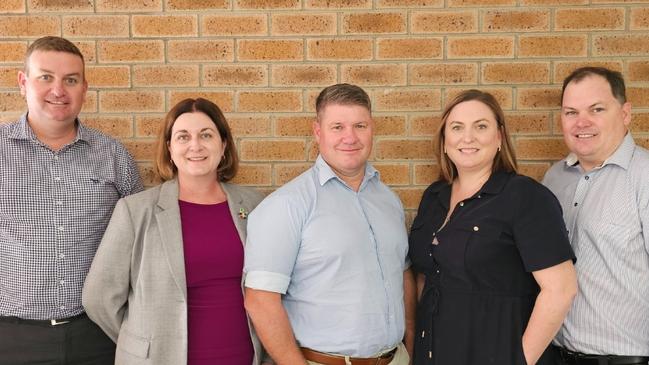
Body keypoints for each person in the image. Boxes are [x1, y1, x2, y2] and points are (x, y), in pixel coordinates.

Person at [82, 98, 266, 365]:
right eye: (183, 137)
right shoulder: (136, 211)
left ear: (223, 145)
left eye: (206, 135)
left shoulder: (254, 205)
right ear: (169, 148)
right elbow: (98, 297)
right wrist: (139, 340)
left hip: (241, 356)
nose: (195, 145)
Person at [243, 83, 415, 365]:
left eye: (360, 125)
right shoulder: (287, 205)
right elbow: (260, 300)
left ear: (372, 129)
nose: (350, 137)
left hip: (396, 359)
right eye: (337, 127)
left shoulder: (389, 201)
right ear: (318, 131)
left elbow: (403, 275)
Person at [0, 36, 143, 364]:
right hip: (12, 338)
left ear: (84, 88)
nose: (58, 90)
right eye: (45, 77)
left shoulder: (113, 156)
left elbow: (142, 241)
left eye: (71, 80)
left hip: (96, 335)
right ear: (23, 82)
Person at [409, 89, 577, 365]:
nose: (468, 137)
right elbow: (426, 279)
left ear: (499, 137)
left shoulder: (525, 197)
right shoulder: (434, 198)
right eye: (457, 128)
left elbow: (561, 290)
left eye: (481, 126)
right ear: (444, 141)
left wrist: (518, 361)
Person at [543, 67, 649, 364]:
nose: (582, 122)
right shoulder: (554, 179)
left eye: (597, 109)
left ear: (625, 113)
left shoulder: (644, 177)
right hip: (556, 355)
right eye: (570, 112)